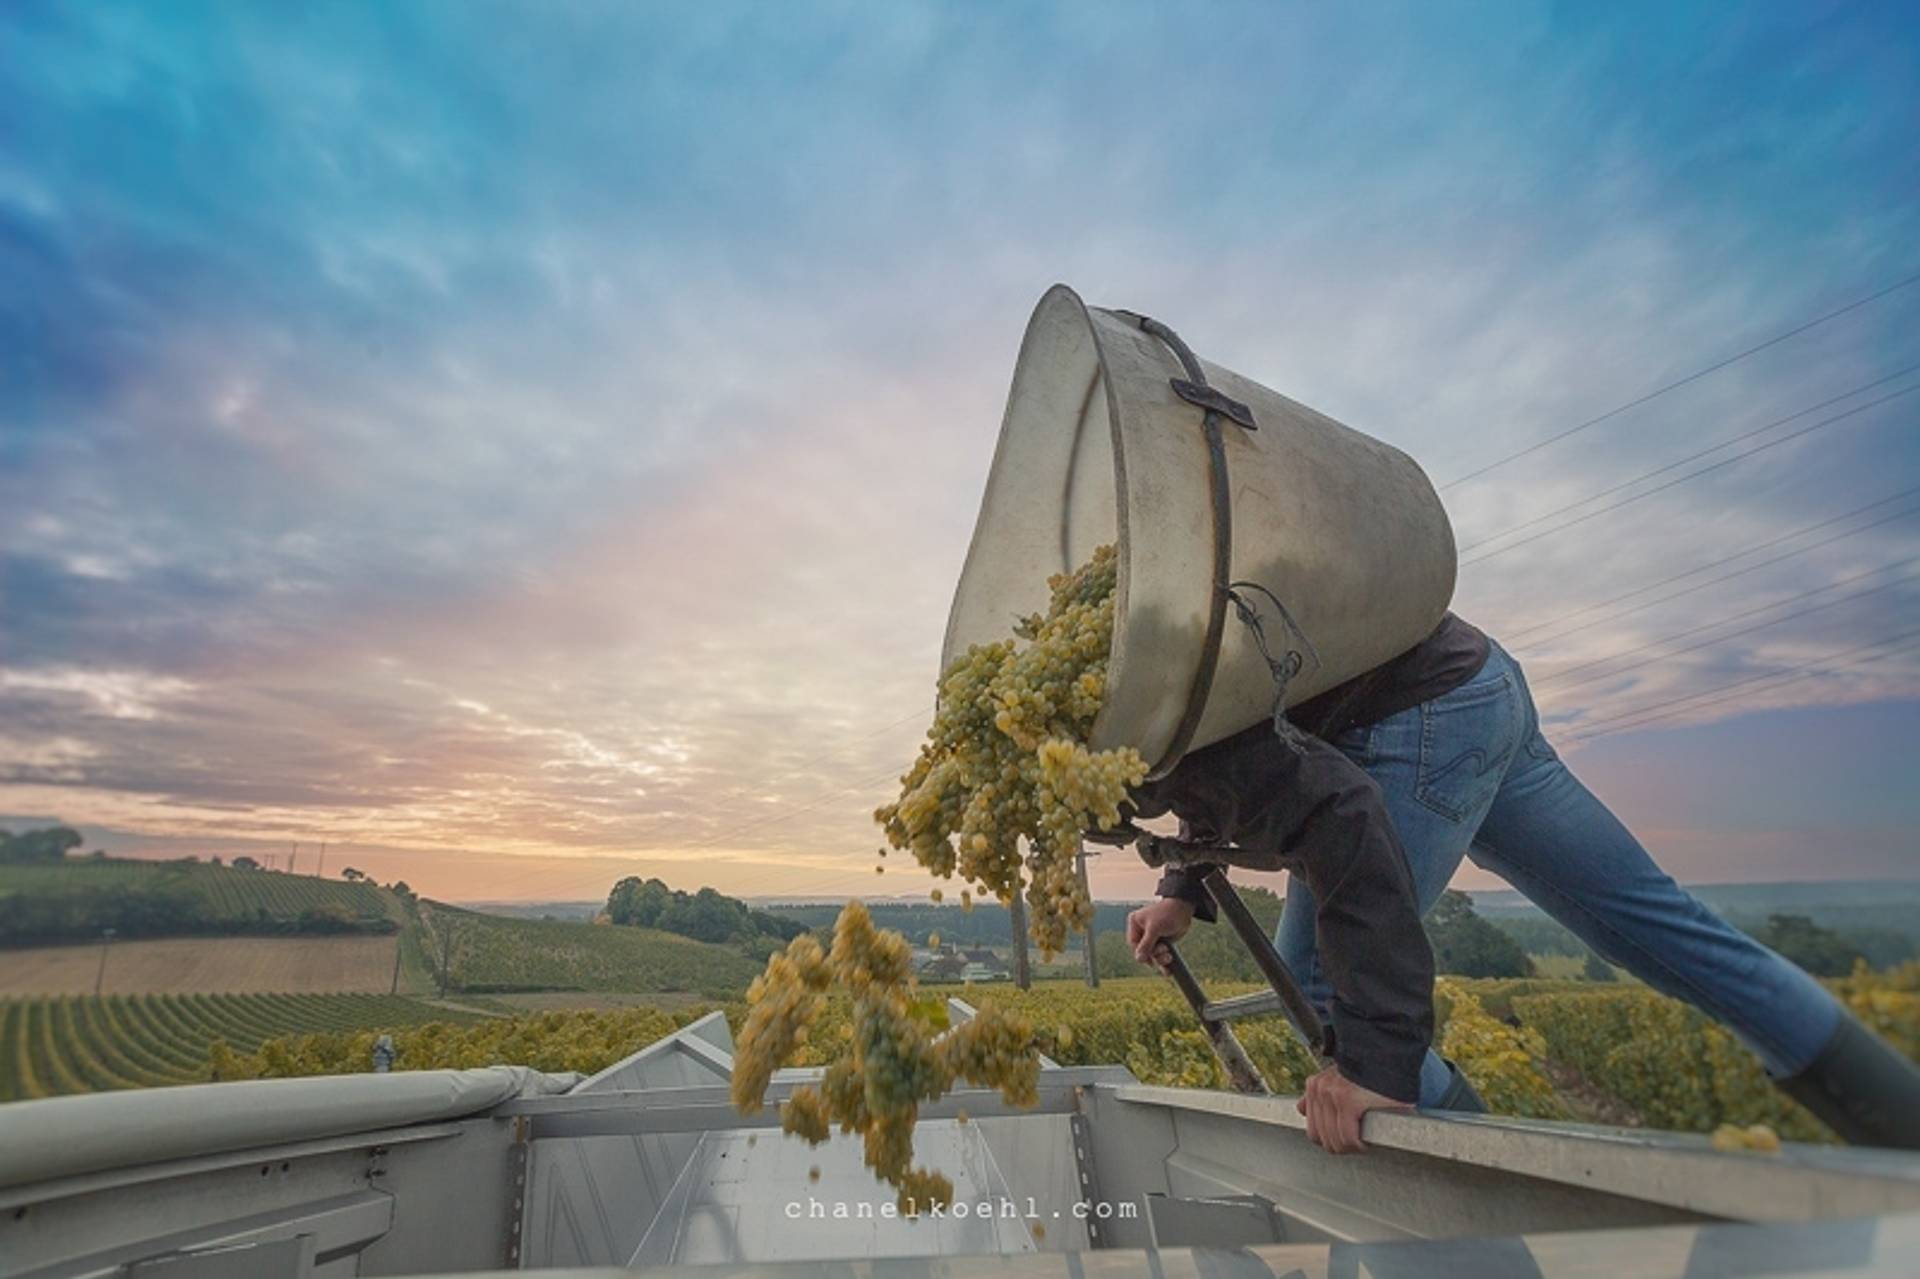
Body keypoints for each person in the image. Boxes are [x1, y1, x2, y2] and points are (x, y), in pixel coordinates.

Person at [1123, 613, 1920, 1155]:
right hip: (1476, 680)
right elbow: (1224, 730)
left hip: (1410, 722)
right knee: (1663, 926)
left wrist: (1378, 1068)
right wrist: (1182, 887)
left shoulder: (1116, 709)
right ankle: (1905, 1130)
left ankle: (1488, 1205)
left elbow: (1333, 812)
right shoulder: (1160, 629)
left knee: (1322, 986)